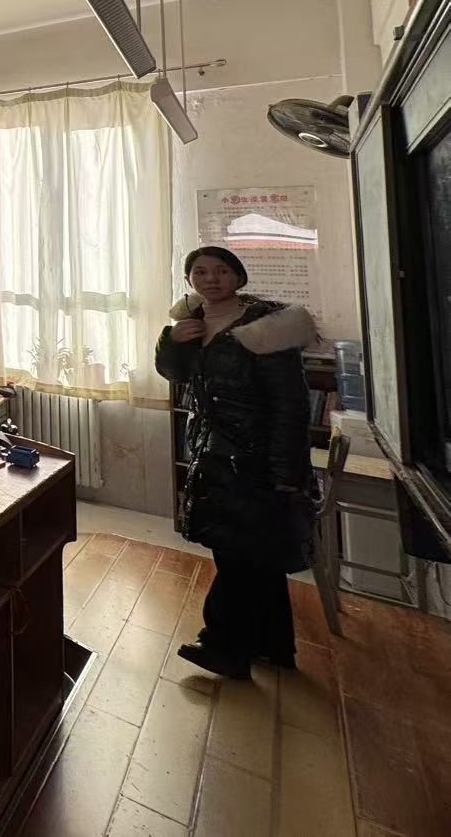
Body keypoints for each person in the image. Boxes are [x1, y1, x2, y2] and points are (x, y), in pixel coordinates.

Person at [155, 246, 316, 679]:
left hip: (253, 458)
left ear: (238, 277)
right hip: (212, 452)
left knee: (237, 556)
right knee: (255, 555)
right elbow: (175, 374)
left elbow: (290, 404)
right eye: (200, 272)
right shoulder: (193, 322)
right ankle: (273, 645)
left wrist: (285, 472)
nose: (211, 279)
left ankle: (224, 647)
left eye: (221, 270)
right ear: (190, 280)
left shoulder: (265, 326)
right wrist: (173, 342)